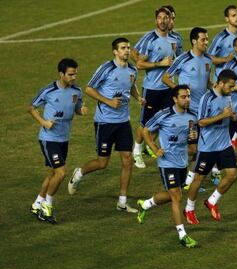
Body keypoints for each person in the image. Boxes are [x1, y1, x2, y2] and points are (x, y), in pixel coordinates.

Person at [68, 38, 144, 213]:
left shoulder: (133, 69)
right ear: (115, 52)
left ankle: (122, 202)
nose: (127, 51)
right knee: (103, 163)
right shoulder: (106, 68)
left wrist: (137, 97)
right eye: (123, 48)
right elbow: (89, 88)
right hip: (105, 122)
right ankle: (79, 173)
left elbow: (131, 86)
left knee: (127, 160)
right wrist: (108, 101)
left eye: (128, 48)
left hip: (123, 122)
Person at [137, 85, 198, 248]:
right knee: (177, 196)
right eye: (184, 97)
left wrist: (193, 139)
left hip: (182, 161)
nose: (187, 99)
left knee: (173, 194)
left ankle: (146, 204)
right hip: (166, 162)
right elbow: (145, 130)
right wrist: (154, 148)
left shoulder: (193, 117)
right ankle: (182, 235)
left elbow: (193, 147)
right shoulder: (164, 114)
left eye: (188, 96)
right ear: (175, 99)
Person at [29, 58, 87, 224]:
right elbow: (31, 107)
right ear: (61, 74)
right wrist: (44, 122)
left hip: (64, 138)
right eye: (70, 74)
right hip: (49, 138)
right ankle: (47, 206)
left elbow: (76, 108)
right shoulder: (48, 90)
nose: (74, 77)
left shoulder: (76, 91)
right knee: (61, 172)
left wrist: (81, 111)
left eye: (75, 73)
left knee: (53, 173)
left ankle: (37, 203)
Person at [183, 69, 237, 225]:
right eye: (230, 86)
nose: (232, 89)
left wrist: (232, 116)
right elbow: (201, 122)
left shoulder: (228, 96)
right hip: (208, 147)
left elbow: (227, 114)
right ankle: (189, 209)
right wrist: (223, 116)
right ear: (220, 83)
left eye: (234, 86)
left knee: (232, 175)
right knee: (199, 179)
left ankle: (212, 201)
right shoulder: (207, 98)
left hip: (224, 144)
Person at [162, 27, 212, 187]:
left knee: (201, 147)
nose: (206, 42)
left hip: (203, 111)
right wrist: (179, 92)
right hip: (188, 111)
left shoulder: (207, 60)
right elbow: (165, 77)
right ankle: (178, 172)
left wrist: (214, 87)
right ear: (194, 41)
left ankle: (188, 179)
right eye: (203, 39)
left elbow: (206, 81)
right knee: (192, 148)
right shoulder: (182, 59)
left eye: (207, 39)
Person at [132, 7, 176, 168]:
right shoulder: (150, 38)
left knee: (163, 120)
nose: (163, 20)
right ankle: (137, 149)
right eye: (160, 17)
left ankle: (149, 145)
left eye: (166, 17)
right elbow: (138, 63)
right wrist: (159, 64)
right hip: (152, 88)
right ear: (156, 20)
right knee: (145, 122)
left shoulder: (175, 39)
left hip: (169, 89)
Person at [208, 5, 237, 182]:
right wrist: (224, 60)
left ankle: (222, 161)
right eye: (233, 15)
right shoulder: (221, 37)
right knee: (222, 128)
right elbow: (208, 56)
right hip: (224, 90)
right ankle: (214, 167)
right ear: (227, 19)